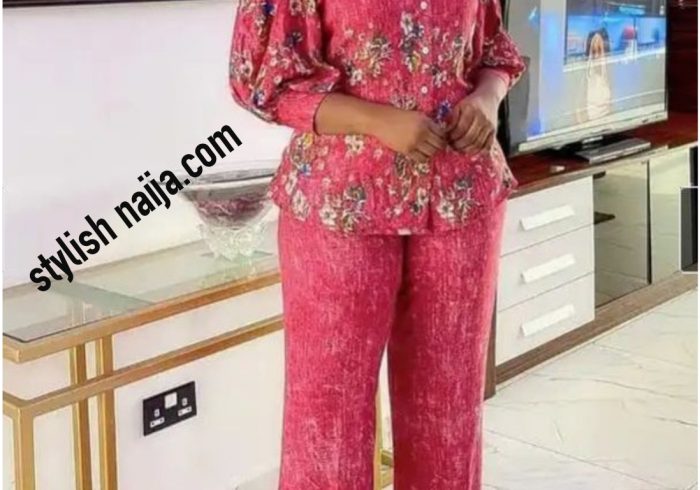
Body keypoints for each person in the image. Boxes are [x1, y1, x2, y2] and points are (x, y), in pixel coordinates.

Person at [229, 0, 524, 488]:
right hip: (341, 204)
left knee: (448, 412)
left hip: (461, 195)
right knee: (328, 420)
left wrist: (487, 99)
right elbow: (264, 81)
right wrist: (376, 120)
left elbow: (493, 48)